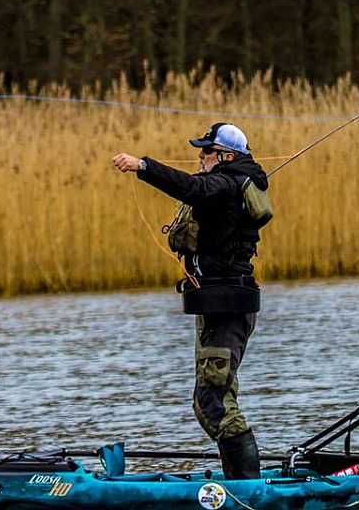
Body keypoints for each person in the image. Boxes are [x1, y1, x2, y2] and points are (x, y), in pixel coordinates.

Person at [111, 122, 269, 480]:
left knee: (211, 403)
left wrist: (143, 167)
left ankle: (248, 488)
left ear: (226, 156)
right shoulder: (231, 185)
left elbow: (192, 187)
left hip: (227, 307)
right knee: (217, 397)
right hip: (218, 306)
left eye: (206, 151)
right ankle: (241, 480)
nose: (200, 156)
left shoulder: (225, 185)